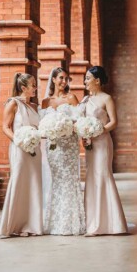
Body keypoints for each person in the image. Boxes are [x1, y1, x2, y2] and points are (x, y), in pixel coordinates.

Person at [82, 66, 128, 236]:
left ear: (97, 80)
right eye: (85, 78)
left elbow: (114, 122)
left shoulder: (106, 98)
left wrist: (97, 131)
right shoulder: (85, 100)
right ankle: (92, 222)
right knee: (91, 177)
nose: (85, 81)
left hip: (102, 143)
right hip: (90, 144)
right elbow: (82, 121)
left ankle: (111, 223)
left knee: (102, 176)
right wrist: (85, 134)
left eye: (88, 78)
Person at [41, 67, 85, 235]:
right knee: (57, 180)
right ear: (53, 79)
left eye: (66, 78)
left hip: (69, 146)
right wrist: (52, 130)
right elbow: (42, 124)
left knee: (69, 180)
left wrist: (68, 128)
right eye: (61, 78)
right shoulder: (46, 102)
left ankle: (71, 223)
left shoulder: (72, 98)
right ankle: (55, 223)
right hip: (53, 147)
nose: (64, 81)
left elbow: (80, 122)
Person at [0, 73, 43, 237]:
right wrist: (19, 141)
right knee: (19, 181)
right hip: (20, 148)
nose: (36, 88)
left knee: (34, 183)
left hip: (35, 149)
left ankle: (31, 224)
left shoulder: (34, 106)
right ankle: (12, 225)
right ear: (23, 87)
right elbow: (5, 127)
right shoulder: (13, 103)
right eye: (33, 85)